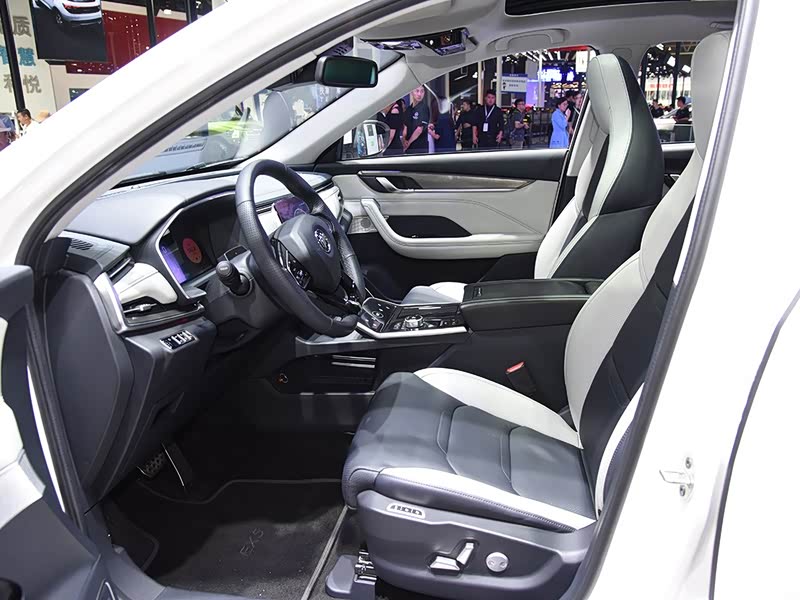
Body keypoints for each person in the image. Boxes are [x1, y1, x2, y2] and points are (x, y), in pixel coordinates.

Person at [403, 86, 430, 154]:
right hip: (409, 149)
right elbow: (405, 127)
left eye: (422, 91)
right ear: (412, 92)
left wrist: (408, 143)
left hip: (420, 148)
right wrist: (404, 140)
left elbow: (419, 129)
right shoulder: (409, 109)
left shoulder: (423, 108)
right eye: (417, 91)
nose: (419, 94)